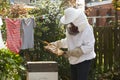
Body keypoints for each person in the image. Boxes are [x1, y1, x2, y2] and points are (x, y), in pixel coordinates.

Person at [45, 7, 96, 80]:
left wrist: (72, 52)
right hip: (73, 60)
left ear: (77, 20)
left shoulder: (87, 29)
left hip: (85, 59)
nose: (70, 24)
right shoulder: (71, 28)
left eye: (71, 22)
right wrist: (57, 44)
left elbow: (89, 47)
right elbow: (68, 41)